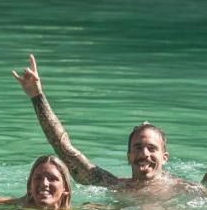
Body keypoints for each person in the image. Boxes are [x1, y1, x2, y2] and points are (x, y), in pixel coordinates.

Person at [12, 53, 194, 191]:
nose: (144, 154)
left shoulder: (185, 190)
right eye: (137, 147)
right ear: (128, 156)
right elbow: (65, 149)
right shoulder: (113, 186)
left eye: (152, 148)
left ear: (165, 157)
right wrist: (37, 96)